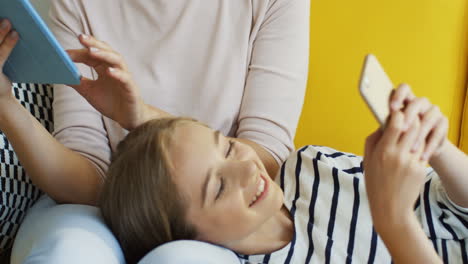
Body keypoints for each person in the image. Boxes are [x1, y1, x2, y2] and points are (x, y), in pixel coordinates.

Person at [4, 0, 309, 262]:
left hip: (215, 218)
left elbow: (265, 158)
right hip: (100, 207)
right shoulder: (76, 4)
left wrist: (141, 117)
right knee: (68, 251)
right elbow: (89, 175)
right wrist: (6, 105)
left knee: (180, 259)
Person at [98, 86, 468, 263]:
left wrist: (437, 148)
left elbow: (456, 209)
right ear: (190, 240)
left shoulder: (311, 166)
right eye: (220, 186)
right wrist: (394, 221)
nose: (246, 167)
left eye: (226, 145)